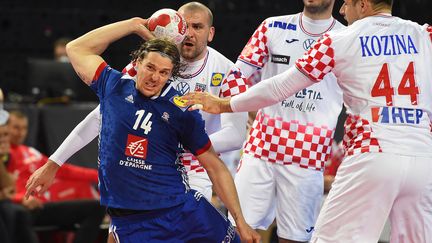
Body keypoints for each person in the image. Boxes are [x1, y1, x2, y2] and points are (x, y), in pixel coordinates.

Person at [185, 0, 432, 242]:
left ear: (363, 4)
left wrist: (224, 104)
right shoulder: (423, 33)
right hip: (422, 156)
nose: (344, 10)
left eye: (348, 3)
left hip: (361, 153)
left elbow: (281, 86)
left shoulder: (340, 39)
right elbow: (238, 74)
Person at [25, 17, 260, 242]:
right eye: (150, 68)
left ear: (171, 75)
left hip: (180, 213)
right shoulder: (113, 86)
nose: (154, 78)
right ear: (136, 63)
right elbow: (77, 48)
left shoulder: (181, 110)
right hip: (128, 218)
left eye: (164, 73)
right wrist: (132, 25)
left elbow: (215, 167)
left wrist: (240, 220)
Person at [48, 2, 248, 203]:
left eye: (197, 27)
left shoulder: (229, 73)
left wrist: (175, 144)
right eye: (184, 26)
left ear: (210, 33)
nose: (189, 34)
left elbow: (235, 136)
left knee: (181, 230)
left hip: (194, 168)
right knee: (120, 231)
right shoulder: (145, 66)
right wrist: (55, 161)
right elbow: (101, 115)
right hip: (144, 163)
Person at [208, 0, 345, 242]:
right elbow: (236, 76)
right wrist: (248, 112)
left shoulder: (346, 37)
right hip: (261, 150)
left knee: (294, 239)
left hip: (309, 156)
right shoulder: (273, 26)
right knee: (238, 232)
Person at [6, 111, 106, 243]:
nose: (20, 133)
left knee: (96, 207)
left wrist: (100, 175)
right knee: (20, 214)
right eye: (16, 128)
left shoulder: (31, 152)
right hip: (20, 207)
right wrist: (21, 199)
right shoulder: (5, 154)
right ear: (5, 127)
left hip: (43, 207)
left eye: (24, 128)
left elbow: (64, 170)